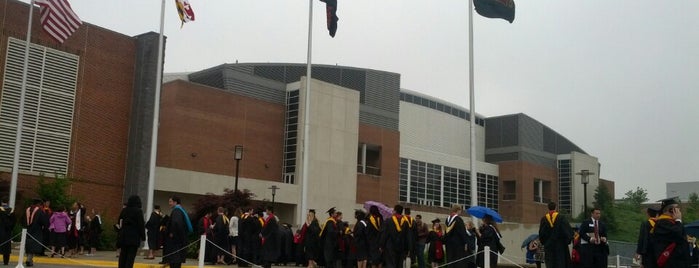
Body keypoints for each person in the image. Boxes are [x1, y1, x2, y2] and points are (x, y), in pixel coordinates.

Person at [652, 197, 690, 268]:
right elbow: (677, 234)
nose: (679, 210)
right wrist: (678, 220)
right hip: (670, 261)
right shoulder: (662, 223)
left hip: (679, 261)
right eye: (677, 208)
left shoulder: (673, 222)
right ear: (671, 210)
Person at [538, 201, 572, 268]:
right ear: (556, 208)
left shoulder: (544, 219)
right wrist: (567, 241)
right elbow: (567, 231)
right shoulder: (561, 218)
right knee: (560, 263)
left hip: (549, 246)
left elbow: (541, 233)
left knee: (550, 263)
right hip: (560, 245)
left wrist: (545, 242)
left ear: (548, 208)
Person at [163, 196, 193, 268]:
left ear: (175, 202)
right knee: (177, 261)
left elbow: (176, 223)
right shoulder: (181, 210)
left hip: (175, 242)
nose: (169, 203)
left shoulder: (176, 211)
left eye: (170, 201)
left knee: (174, 262)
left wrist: (172, 233)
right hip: (179, 240)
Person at [116, 195, 146, 268]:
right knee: (130, 257)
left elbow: (119, 222)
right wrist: (143, 237)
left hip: (124, 236)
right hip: (134, 237)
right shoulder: (138, 211)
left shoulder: (124, 210)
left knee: (123, 255)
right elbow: (141, 225)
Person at [24, 198, 47, 267]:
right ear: (39, 204)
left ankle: (30, 260)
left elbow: (22, 219)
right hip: (37, 231)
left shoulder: (27, 209)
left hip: (27, 230)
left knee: (28, 245)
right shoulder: (39, 211)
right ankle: (29, 259)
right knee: (34, 245)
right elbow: (44, 222)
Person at [0, 197, 15, 265]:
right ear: (8, 202)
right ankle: (6, 262)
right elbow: (14, 221)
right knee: (6, 247)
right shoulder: (11, 210)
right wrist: (10, 228)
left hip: (0, 231)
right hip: (7, 232)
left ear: (1, 202)